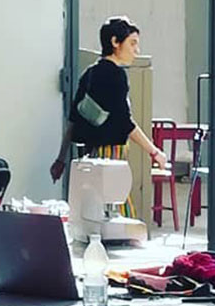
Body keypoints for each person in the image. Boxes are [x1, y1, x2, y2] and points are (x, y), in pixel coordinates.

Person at [50, 16, 166, 184]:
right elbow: (125, 122)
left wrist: (61, 159)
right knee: (113, 198)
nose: (136, 50)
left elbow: (73, 121)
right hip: (110, 157)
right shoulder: (116, 75)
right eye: (132, 43)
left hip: (89, 155)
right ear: (115, 42)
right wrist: (154, 151)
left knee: (92, 197)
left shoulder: (89, 73)